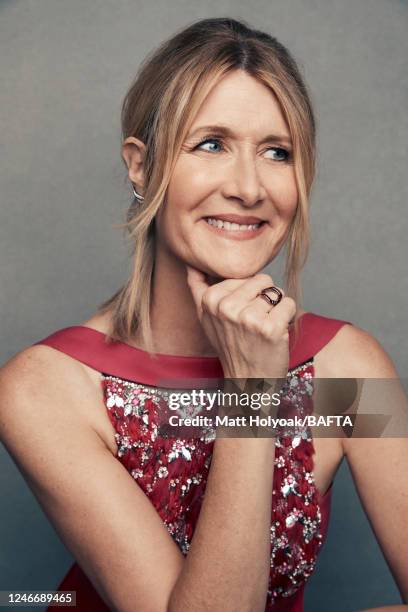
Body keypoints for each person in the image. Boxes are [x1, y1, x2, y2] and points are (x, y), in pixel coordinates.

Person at [0, 17, 407, 612]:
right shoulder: (45, 389)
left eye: (277, 152)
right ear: (140, 166)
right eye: (211, 144)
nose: (248, 187)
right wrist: (253, 388)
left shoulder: (349, 372)